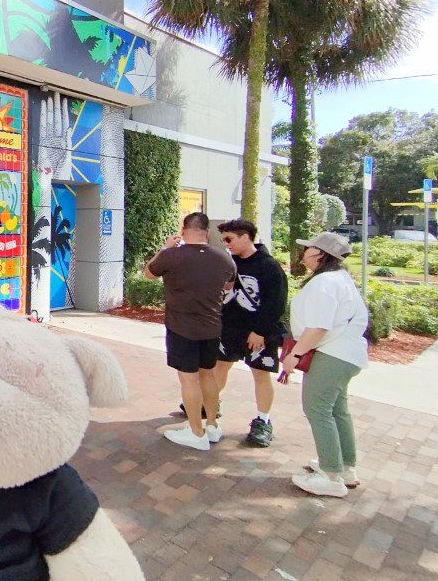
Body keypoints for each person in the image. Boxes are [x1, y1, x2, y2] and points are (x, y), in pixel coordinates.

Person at [283, 232, 368, 498]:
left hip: (332, 354)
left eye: (308, 248)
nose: (303, 252)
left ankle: (331, 476)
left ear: (320, 254)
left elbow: (318, 326)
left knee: (317, 408)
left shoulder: (325, 283)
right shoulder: (340, 280)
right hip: (346, 354)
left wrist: (294, 355)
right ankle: (344, 467)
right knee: (337, 410)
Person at [145, 212, 236, 451]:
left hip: (181, 327)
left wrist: (165, 248)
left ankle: (196, 432)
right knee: (208, 375)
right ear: (207, 233)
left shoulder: (172, 256)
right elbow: (228, 285)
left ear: (183, 230)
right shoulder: (225, 259)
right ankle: (213, 426)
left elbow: (149, 273)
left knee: (189, 380)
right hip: (212, 327)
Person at [214, 219, 288, 447]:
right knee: (219, 366)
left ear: (245, 236)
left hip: (258, 334)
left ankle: (263, 420)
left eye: (230, 239)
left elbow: (276, 304)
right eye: (223, 240)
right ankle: (209, 405)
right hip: (229, 330)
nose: (226, 244)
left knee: (260, 374)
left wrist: (260, 331)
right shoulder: (229, 263)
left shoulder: (269, 267)